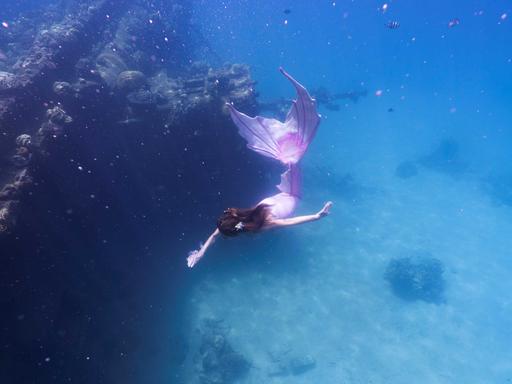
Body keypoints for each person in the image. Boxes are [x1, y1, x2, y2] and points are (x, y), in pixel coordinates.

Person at [187, 68, 332, 268]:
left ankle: (293, 131)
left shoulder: (264, 225)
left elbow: (293, 221)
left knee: (294, 159)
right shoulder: (238, 215)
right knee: (291, 160)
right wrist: (200, 254)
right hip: (281, 196)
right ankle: (286, 129)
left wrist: (318, 216)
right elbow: (215, 235)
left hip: (292, 195)